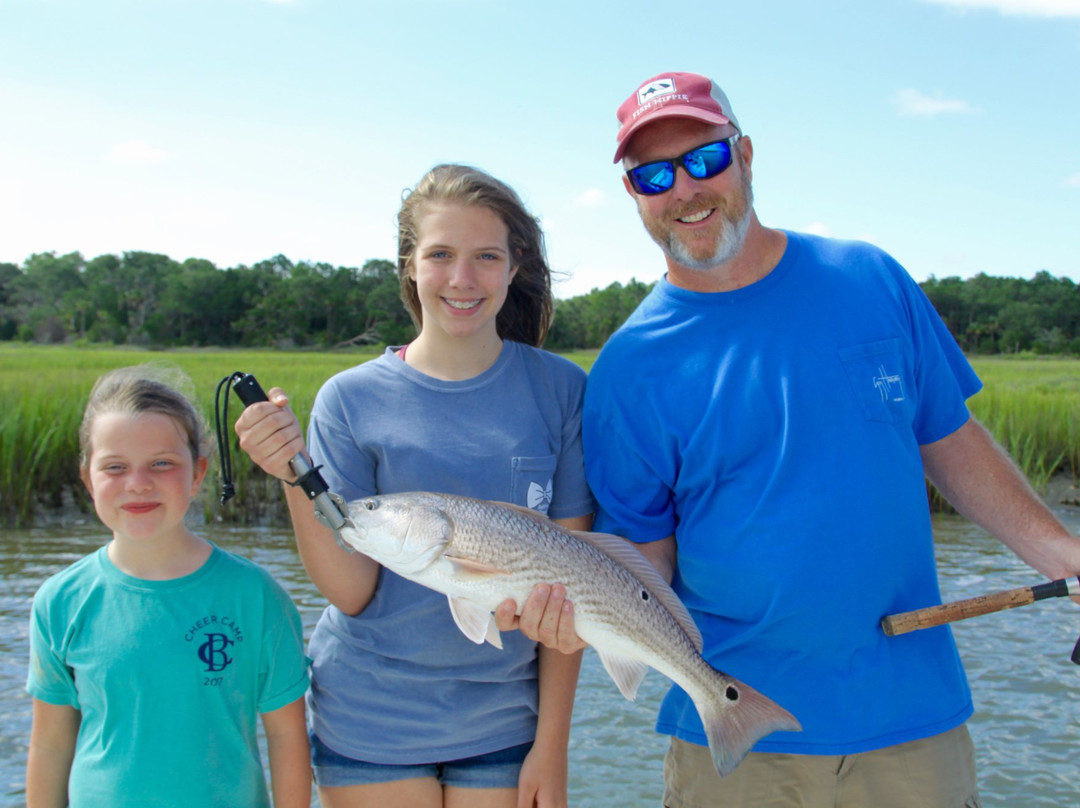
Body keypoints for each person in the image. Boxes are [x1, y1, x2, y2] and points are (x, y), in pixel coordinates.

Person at [505, 71, 1080, 807]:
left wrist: (1065, 557)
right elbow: (641, 562)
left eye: (704, 160)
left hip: (909, 727)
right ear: (633, 194)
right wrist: (574, 618)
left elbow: (952, 441)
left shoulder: (870, 279)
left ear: (744, 154)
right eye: (653, 175)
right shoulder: (627, 370)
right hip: (732, 744)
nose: (684, 190)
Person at [234, 163, 593, 808]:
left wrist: (553, 742)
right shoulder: (349, 399)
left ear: (515, 266)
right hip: (370, 714)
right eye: (440, 255)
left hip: (508, 717)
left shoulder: (563, 391)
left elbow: (579, 584)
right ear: (409, 266)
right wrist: (294, 471)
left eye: (486, 256)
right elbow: (351, 591)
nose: (462, 279)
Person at [25, 364, 311, 808]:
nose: (138, 484)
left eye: (162, 464)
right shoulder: (60, 602)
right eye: (115, 467)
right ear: (87, 479)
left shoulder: (255, 597)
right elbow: (50, 746)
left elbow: (287, 736)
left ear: (198, 474)